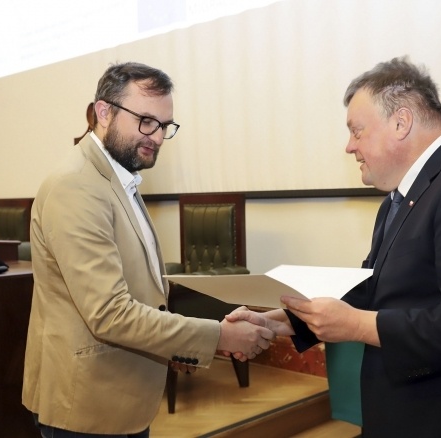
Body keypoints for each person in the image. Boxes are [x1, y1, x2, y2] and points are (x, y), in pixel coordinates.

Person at [227, 57, 441, 437]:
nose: (349, 147)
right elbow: (376, 290)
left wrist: (356, 325)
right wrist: (284, 320)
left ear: (401, 122)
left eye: (357, 131)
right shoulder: (400, 199)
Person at [22, 62, 274, 437]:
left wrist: (176, 346)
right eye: (145, 121)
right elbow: (109, 314)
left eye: (164, 126)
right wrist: (219, 336)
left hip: (123, 395)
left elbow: (141, 289)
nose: (156, 137)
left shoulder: (119, 178)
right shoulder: (76, 186)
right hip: (86, 403)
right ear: (104, 112)